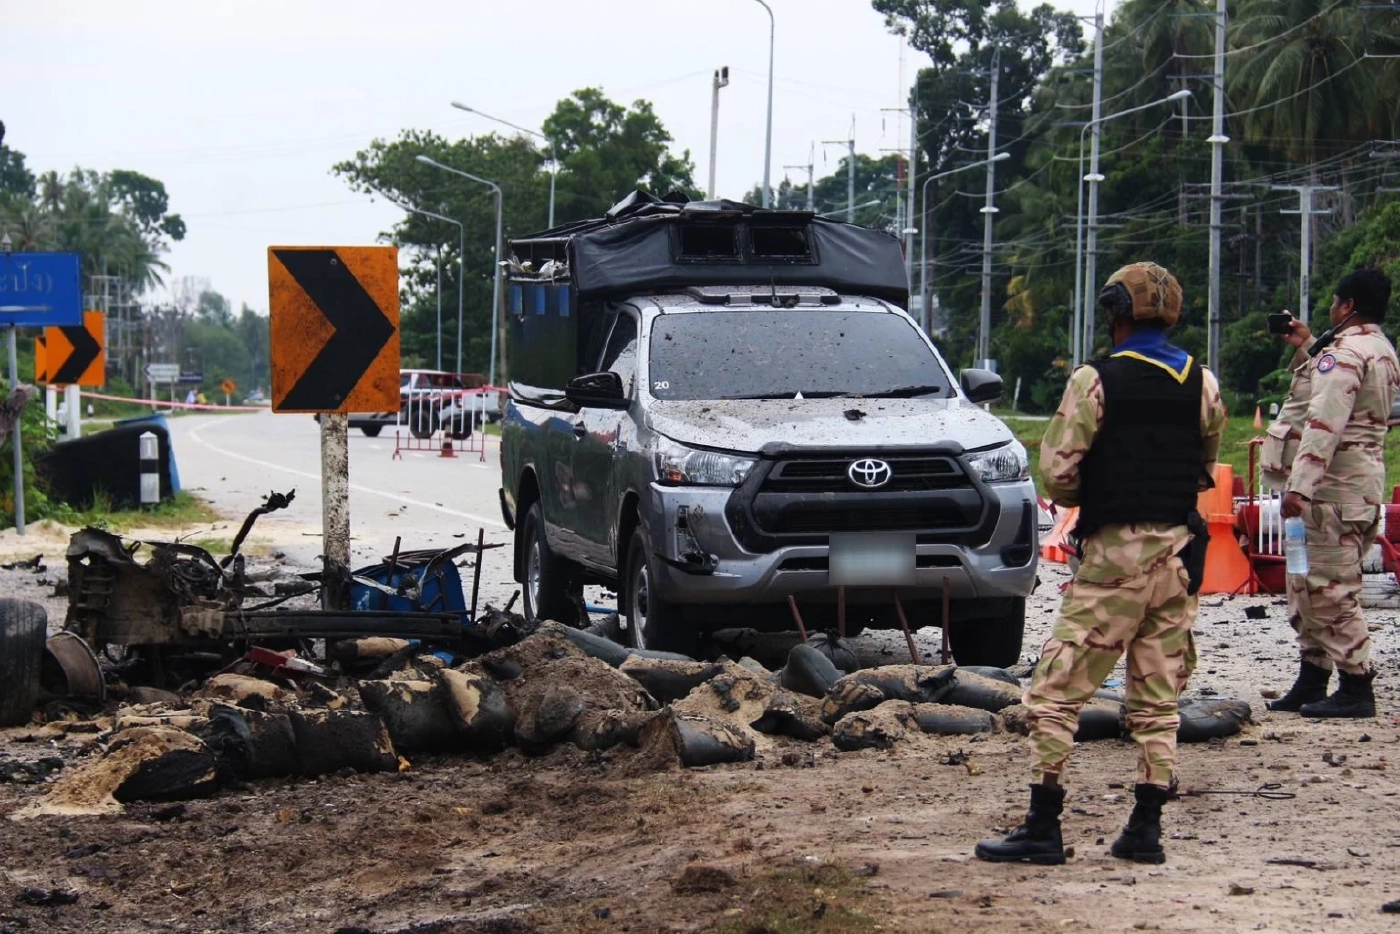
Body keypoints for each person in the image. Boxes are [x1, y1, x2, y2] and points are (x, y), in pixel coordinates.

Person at [975, 262, 1227, 866]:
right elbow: (1204, 470)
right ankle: (1145, 829)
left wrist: (1105, 488)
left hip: (1115, 559)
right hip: (1178, 559)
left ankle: (1043, 825)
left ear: (1114, 312)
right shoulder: (1204, 383)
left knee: (1055, 693)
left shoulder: (1095, 380)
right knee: (1158, 699)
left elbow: (1059, 477)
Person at [1261, 268, 1400, 718]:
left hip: (1329, 493)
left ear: (1346, 306)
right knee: (1304, 583)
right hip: (1352, 489)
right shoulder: (1378, 349)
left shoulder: (1344, 355)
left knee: (1331, 589)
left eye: (1335, 302)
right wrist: (1306, 345)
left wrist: (1299, 488)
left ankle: (1357, 685)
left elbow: (1324, 425)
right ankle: (1313, 676)